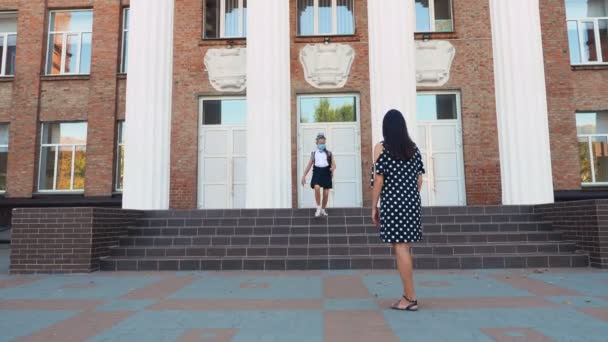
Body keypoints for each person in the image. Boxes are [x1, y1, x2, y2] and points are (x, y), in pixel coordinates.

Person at [371, 109, 424, 311]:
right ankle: (407, 295)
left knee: (400, 248)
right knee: (405, 247)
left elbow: (379, 179)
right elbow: (419, 179)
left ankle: (410, 298)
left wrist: (373, 206)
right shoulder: (413, 149)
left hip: (393, 202)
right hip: (411, 202)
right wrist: (409, 196)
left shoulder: (382, 147)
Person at [301, 133, 336, 217]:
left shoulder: (329, 154)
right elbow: (309, 165)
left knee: (326, 193)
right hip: (317, 172)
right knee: (316, 187)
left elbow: (334, 164)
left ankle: (323, 209)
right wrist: (304, 175)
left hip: (326, 172)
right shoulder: (313, 154)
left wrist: (332, 168)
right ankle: (318, 207)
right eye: (320, 143)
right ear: (316, 143)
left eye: (323, 143)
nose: (322, 144)